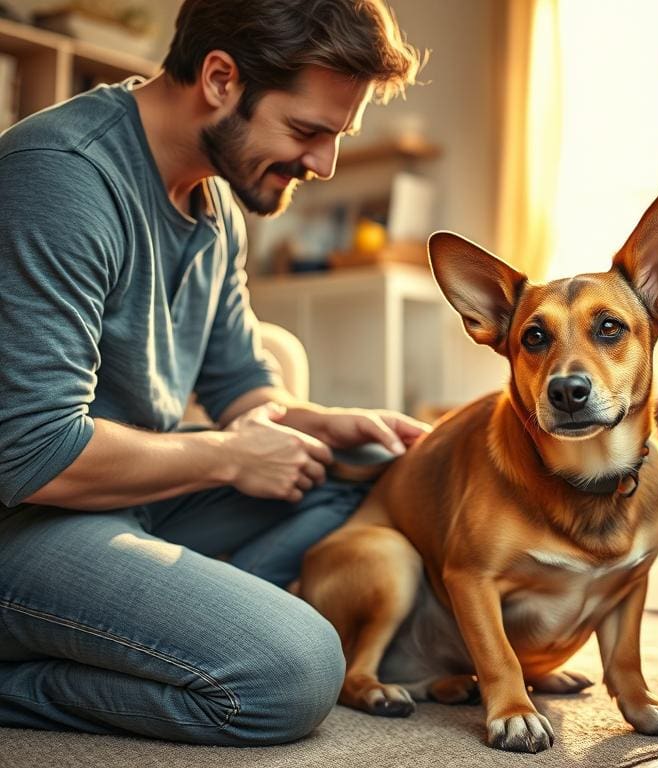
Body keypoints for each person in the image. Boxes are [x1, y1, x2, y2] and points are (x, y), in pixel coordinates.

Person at [0, 0, 428, 746]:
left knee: (361, 469)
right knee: (292, 670)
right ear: (221, 79)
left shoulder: (216, 199)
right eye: (307, 131)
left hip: (125, 502)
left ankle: (174, 624)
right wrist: (230, 456)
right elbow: (30, 453)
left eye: (337, 137)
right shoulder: (61, 180)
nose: (323, 165)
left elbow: (239, 385)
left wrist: (318, 422)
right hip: (26, 521)